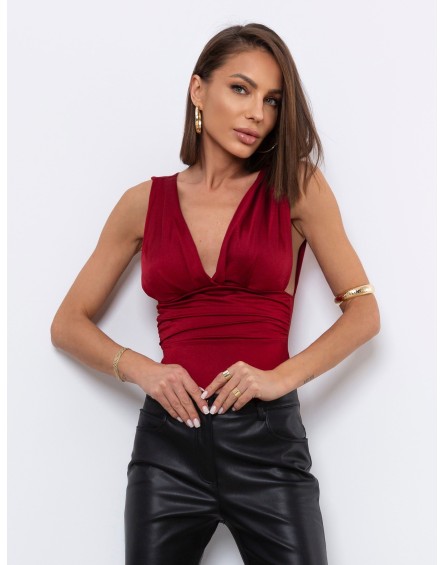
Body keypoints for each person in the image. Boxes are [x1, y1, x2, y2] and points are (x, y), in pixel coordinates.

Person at [51, 22, 380, 565]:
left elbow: (363, 312)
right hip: (167, 447)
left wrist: (280, 378)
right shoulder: (142, 203)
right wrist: (144, 371)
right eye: (241, 89)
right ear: (198, 90)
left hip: (267, 445)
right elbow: (67, 324)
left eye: (271, 100)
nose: (257, 113)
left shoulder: (296, 187)